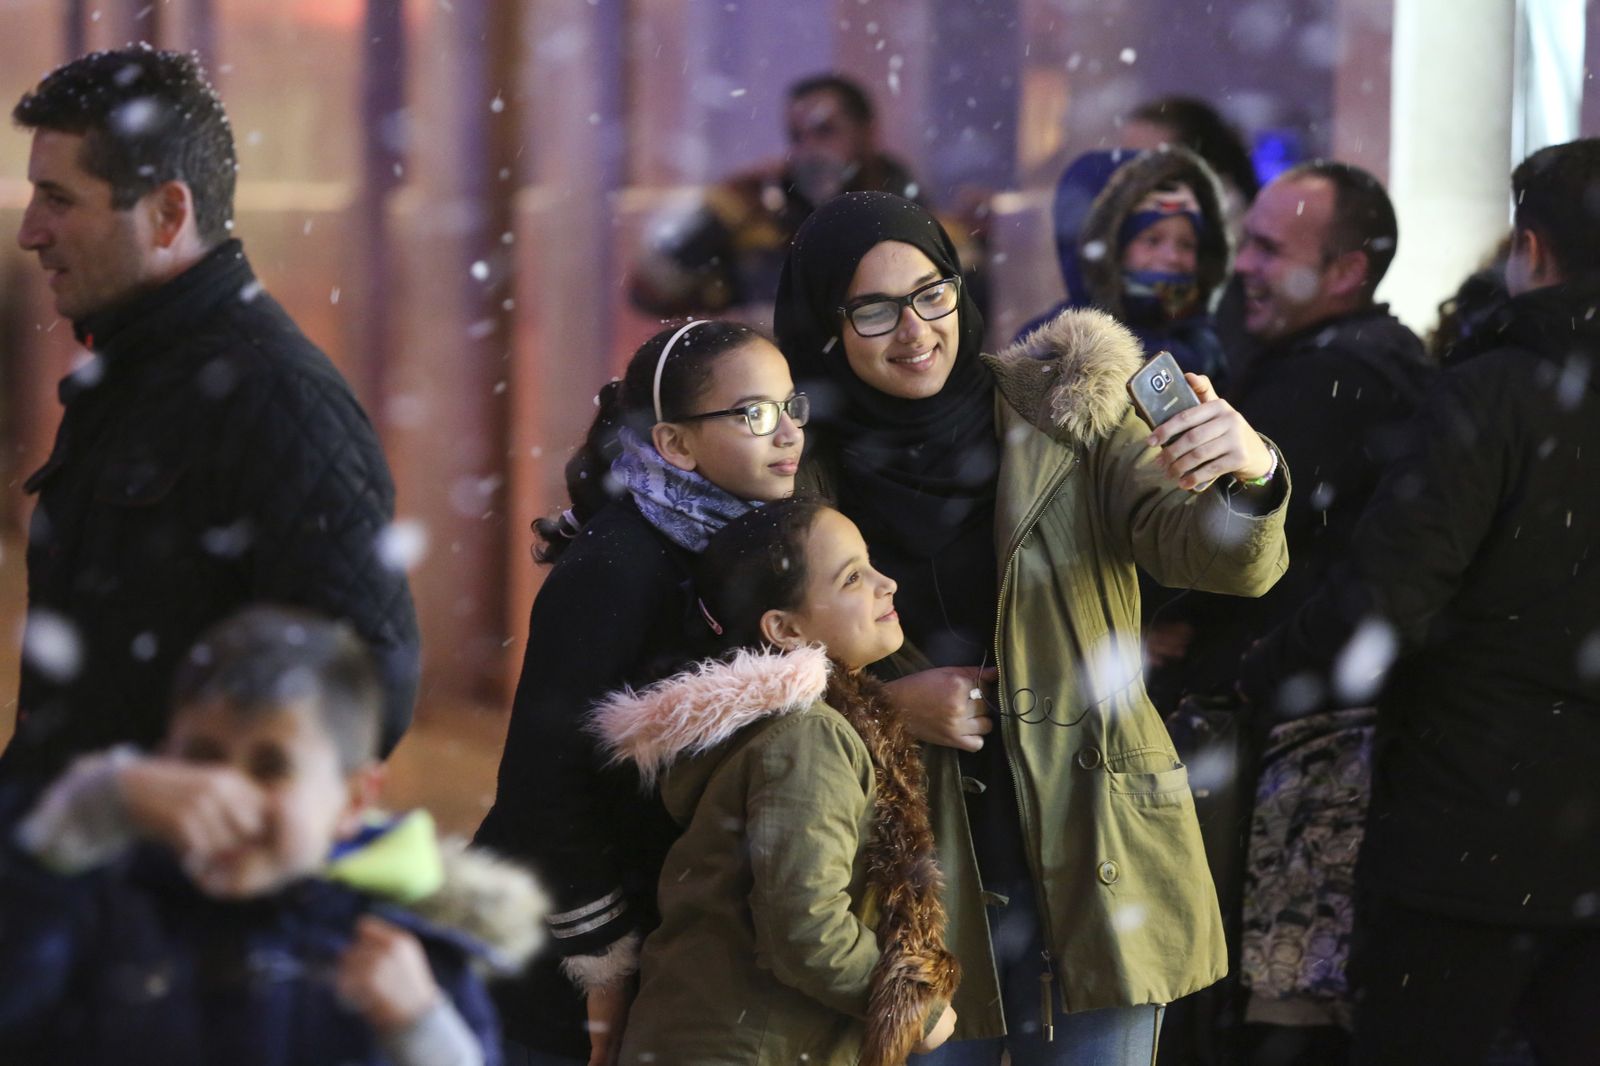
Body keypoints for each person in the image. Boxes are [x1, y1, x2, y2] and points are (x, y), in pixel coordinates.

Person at [774, 191, 1290, 1065]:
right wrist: (885, 707)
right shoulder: (794, 472)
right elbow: (751, 666)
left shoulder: (1065, 411)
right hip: (913, 865)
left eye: (932, 292)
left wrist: (1251, 471)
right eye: (873, 310)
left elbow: (1224, 562)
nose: (916, 332)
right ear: (825, 324)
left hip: (1095, 842)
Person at [1238, 138, 1600, 1066]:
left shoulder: (1494, 393)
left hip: (1470, 837)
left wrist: (1255, 678)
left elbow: (1384, 604)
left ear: (1535, 252)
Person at [4, 45, 418, 785]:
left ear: (168, 214)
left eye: (59, 199)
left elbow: (365, 688)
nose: (30, 231)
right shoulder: (133, 373)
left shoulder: (275, 396)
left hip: (153, 887)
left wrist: (191, 833)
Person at [1148, 160, 1431, 1065]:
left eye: (1273, 249)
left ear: (1347, 272)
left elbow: (1212, 546)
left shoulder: (1335, 383)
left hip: (1289, 754)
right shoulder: (1360, 365)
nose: (1247, 269)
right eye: (1249, 245)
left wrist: (1180, 620)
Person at [0, 606, 546, 1066]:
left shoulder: (415, 964)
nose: (226, 791)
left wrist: (422, 1034)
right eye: (201, 758)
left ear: (354, 799)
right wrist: (64, 834)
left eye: (270, 767)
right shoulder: (98, 912)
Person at [472, 321, 806, 1064]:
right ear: (675, 445)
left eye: (792, 407)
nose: (787, 433)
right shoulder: (619, 564)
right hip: (550, 950)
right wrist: (604, 961)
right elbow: (542, 779)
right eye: (754, 414)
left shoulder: (739, 543)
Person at [593, 498, 958, 1065]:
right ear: (785, 629)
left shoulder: (790, 726)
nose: (886, 584)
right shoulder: (808, 736)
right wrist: (917, 1006)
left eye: (871, 565)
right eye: (852, 578)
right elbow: (803, 929)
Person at [628, 73, 921, 323]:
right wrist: (720, 215)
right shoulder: (764, 208)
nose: (809, 150)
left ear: (867, 133)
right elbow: (652, 291)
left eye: (825, 131)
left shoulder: (908, 212)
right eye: (796, 136)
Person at [1016, 146, 1235, 384]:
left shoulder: (1210, 343)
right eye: (1152, 240)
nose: (1172, 257)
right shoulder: (1058, 342)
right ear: (1112, 249)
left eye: (1186, 245)